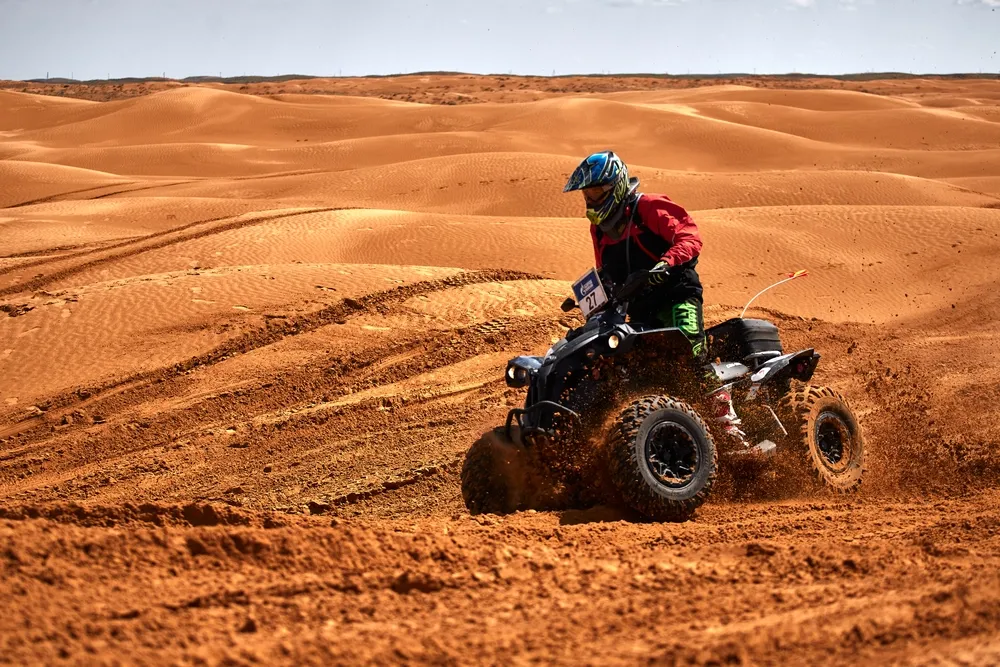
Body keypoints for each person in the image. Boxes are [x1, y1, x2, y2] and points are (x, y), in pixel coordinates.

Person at [563, 150, 747, 445]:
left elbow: (690, 237)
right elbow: (604, 271)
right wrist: (594, 298)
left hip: (677, 296)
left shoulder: (647, 207)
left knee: (691, 355)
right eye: (588, 194)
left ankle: (730, 430)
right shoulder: (599, 230)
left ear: (617, 186)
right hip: (639, 309)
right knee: (635, 370)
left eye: (597, 192)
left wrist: (665, 264)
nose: (591, 200)